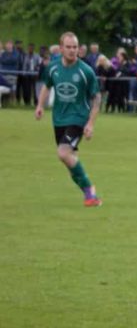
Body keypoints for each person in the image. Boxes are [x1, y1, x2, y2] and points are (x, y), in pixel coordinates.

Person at [34, 32, 102, 207]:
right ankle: (90, 197)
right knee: (70, 162)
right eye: (69, 47)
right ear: (61, 48)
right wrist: (40, 106)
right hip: (59, 119)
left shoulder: (86, 71)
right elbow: (46, 87)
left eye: (75, 47)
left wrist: (90, 124)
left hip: (78, 118)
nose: (73, 50)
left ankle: (90, 190)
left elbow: (97, 99)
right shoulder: (54, 68)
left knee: (63, 153)